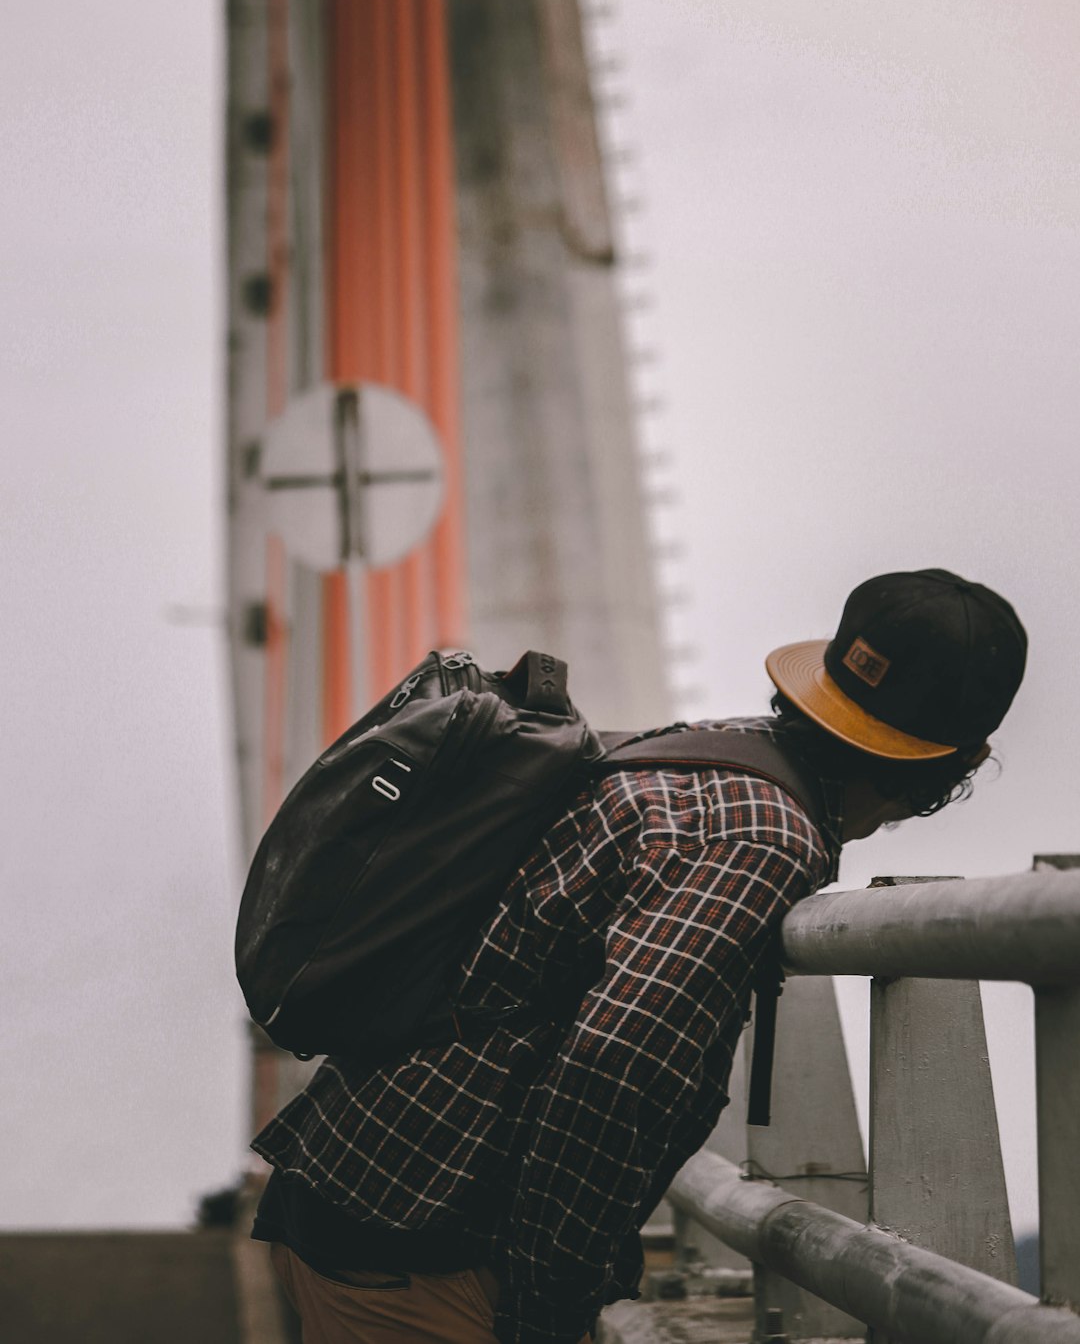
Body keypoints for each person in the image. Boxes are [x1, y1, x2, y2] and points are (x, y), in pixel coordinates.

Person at [249, 568, 1027, 1344]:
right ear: (951, 767)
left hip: (362, 1185)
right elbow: (616, 1063)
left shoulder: (709, 752)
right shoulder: (761, 837)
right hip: (420, 1251)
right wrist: (547, 1308)